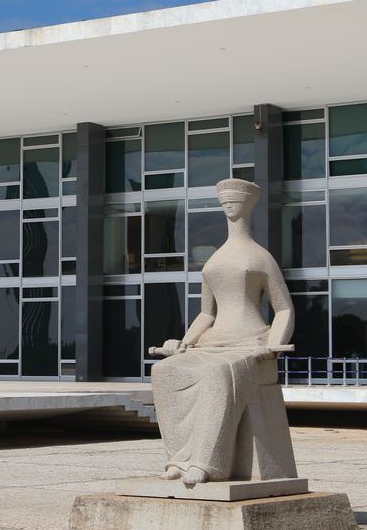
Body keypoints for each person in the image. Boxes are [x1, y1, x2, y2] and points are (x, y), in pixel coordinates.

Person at [148, 178, 295, 485]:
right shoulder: (215, 259)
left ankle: (205, 463)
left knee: (216, 374)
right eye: (224, 201)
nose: (228, 205)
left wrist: (272, 345)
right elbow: (206, 313)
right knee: (164, 372)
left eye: (235, 201)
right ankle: (179, 458)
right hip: (213, 342)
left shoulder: (261, 257)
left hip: (249, 343)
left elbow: (284, 309)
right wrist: (185, 343)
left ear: (249, 205)